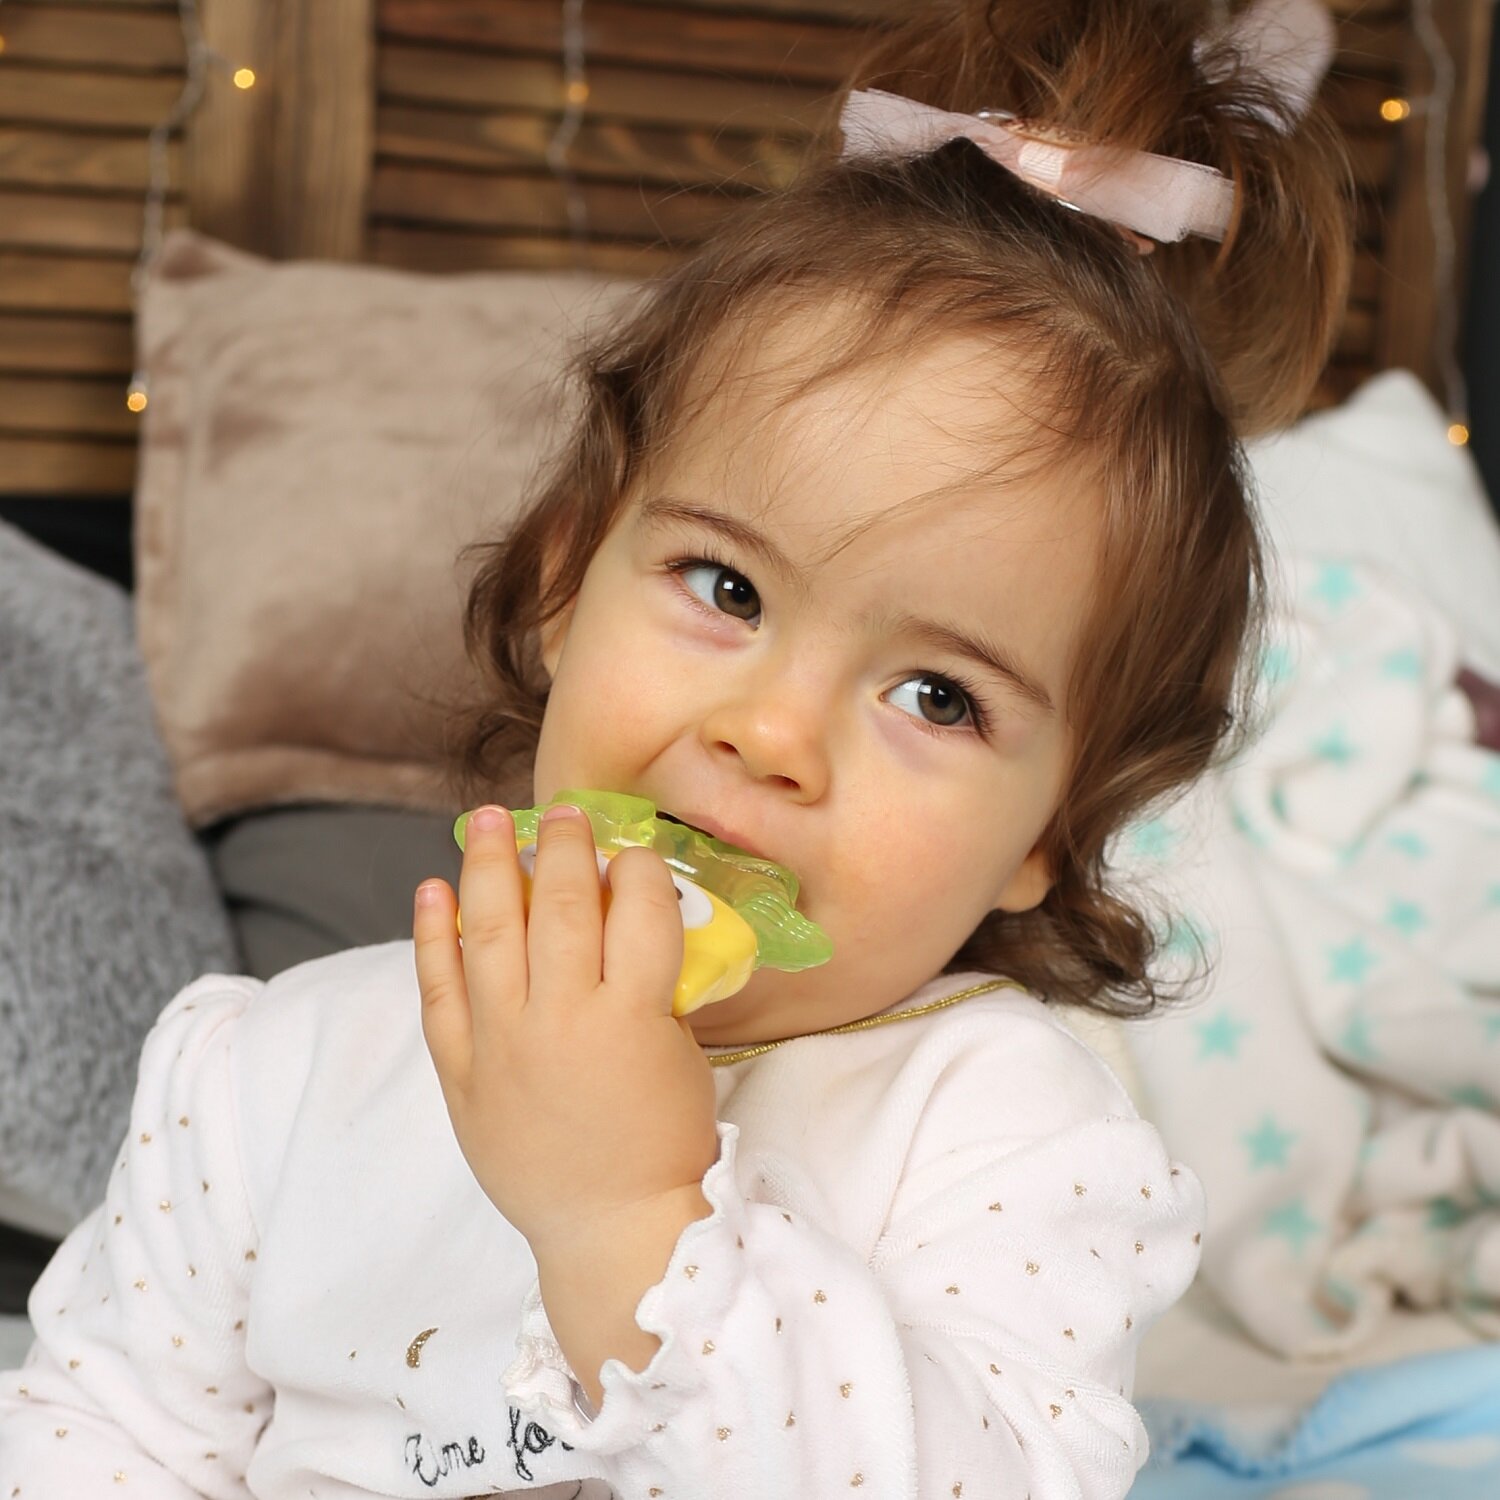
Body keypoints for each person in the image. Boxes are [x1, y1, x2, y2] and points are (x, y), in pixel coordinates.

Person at [0, 0, 1352, 1494]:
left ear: (1054, 825)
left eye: (936, 696)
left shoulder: (1006, 1149)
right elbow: (100, 1434)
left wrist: (630, 1217)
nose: (771, 737)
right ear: (567, 582)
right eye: (727, 589)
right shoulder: (273, 1073)